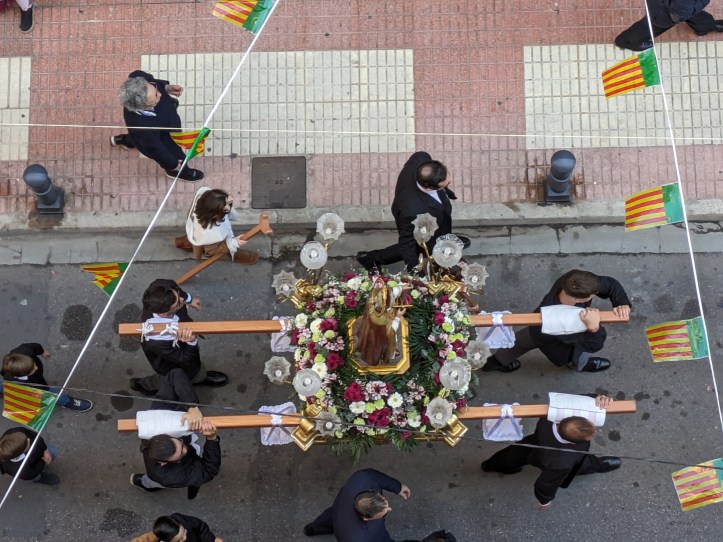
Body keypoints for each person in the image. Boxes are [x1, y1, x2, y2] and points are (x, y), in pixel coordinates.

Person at [480, 394, 622, 508]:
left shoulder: (549, 416)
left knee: (512, 455)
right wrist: (544, 500)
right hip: (548, 459)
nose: (595, 429)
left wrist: (597, 399)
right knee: (583, 463)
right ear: (573, 443)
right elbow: (547, 483)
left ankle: (490, 465)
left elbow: (577, 401)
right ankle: (597, 465)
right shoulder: (561, 462)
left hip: (533, 444)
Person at [483, 269, 631, 373]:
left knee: (517, 343)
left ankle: (491, 364)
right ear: (579, 300)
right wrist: (593, 328)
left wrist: (622, 303)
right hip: (555, 341)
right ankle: (580, 366)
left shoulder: (571, 280)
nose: (595, 294)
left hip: (537, 326)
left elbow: (609, 284)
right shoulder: (564, 322)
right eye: (593, 295)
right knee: (577, 356)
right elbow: (591, 344)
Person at [356, 151, 469, 272]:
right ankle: (371, 259)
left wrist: (446, 191)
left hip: (415, 204)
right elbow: (406, 244)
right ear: (429, 187)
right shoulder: (413, 211)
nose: (450, 180)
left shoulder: (421, 158)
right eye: (445, 184)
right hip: (407, 212)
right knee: (418, 244)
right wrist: (416, 273)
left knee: (425, 242)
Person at [131, 279, 228, 395]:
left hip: (176, 352)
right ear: (164, 314)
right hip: (169, 363)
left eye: (177, 295)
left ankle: (199, 377)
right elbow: (186, 361)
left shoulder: (161, 288)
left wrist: (189, 299)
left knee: (193, 373)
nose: (181, 300)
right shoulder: (157, 338)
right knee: (171, 377)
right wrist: (191, 343)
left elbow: (172, 285)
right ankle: (145, 386)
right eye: (177, 304)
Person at [111, 71, 203, 182]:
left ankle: (126, 141)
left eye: (155, 89)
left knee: (140, 139)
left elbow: (153, 81)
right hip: (164, 136)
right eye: (155, 97)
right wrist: (172, 164)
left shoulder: (138, 77)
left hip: (164, 124)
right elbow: (155, 149)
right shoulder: (142, 127)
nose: (160, 94)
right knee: (179, 157)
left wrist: (166, 87)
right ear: (142, 106)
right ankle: (179, 173)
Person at [304, 468, 411, 541]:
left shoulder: (362, 478)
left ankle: (314, 528)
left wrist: (398, 487)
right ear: (366, 518)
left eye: (385, 504)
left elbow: (375, 476)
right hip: (346, 530)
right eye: (383, 512)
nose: (389, 509)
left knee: (329, 517)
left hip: (339, 508)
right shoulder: (360, 537)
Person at [130, 418, 220, 500]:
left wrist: (191, 409)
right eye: (180, 454)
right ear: (163, 463)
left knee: (153, 479)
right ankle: (146, 484)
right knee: (154, 481)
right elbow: (208, 471)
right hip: (165, 477)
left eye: (181, 444)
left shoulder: (150, 435)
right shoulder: (174, 477)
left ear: (166, 434)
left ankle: (145, 482)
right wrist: (212, 439)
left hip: (158, 473)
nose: (186, 449)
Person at [175, 187, 258, 265]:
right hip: (209, 240)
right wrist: (233, 243)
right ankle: (233, 254)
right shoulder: (211, 233)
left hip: (197, 230)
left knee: (194, 237)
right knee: (216, 247)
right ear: (215, 215)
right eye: (225, 210)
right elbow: (211, 251)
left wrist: (226, 204)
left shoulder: (204, 200)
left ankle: (183, 243)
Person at [2, 343, 93, 412]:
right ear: (18, 375)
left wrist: (42, 351)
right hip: (37, 387)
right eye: (31, 370)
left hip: (36, 380)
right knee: (51, 394)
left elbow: (32, 346)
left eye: (33, 364)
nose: (36, 368)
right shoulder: (16, 384)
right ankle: (65, 402)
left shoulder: (24, 351)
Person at [614, 0, 723, 51]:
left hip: (678, 6)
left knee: (691, 11)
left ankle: (704, 26)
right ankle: (626, 41)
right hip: (664, 12)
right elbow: (679, 13)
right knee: (650, 27)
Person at [352, 278, 408, 365]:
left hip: (370, 332)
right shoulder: (380, 318)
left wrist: (401, 288)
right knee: (375, 348)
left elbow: (387, 293)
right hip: (379, 340)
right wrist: (397, 317)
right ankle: (382, 356)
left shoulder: (373, 298)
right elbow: (391, 331)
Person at [132, 513, 223, 542]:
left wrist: (211, 539)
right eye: (179, 540)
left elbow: (200, 527)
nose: (185, 537)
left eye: (184, 532)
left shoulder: (182, 520)